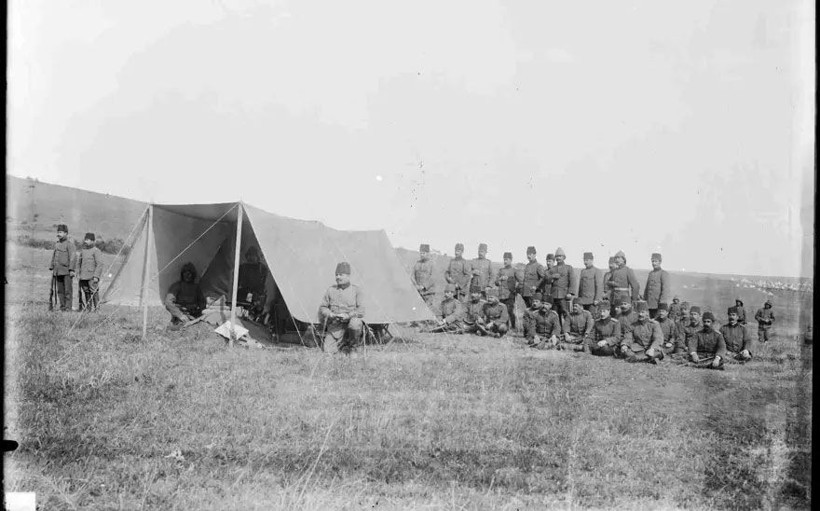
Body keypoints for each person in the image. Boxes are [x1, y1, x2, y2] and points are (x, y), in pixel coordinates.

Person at [319, 262, 365, 354]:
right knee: (327, 352)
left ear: (348, 276)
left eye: (341, 275)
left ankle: (353, 348)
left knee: (355, 323)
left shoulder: (356, 290)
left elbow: (361, 310)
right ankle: (342, 345)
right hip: (335, 327)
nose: (338, 277)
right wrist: (330, 314)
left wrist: (348, 315)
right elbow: (323, 307)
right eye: (336, 275)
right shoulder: (331, 290)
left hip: (350, 326)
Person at [49, 224, 76, 312]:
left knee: (68, 291)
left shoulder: (70, 245)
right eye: (58, 232)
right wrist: (52, 266)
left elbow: (72, 258)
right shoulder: (57, 244)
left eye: (60, 232)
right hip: (58, 271)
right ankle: (63, 307)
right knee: (60, 291)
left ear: (66, 233)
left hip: (67, 271)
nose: (58, 234)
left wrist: (72, 270)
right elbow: (54, 255)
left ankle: (68, 308)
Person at [546, 247, 575, 329]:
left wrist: (570, 293)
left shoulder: (569, 268)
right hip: (554, 295)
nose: (558, 258)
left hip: (564, 295)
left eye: (560, 256)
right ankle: (558, 330)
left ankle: (568, 330)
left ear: (564, 257)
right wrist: (552, 277)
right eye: (557, 256)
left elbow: (572, 281)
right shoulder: (553, 269)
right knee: (555, 314)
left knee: (566, 313)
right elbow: (547, 280)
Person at [237, 246, 268, 321]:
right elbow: (238, 280)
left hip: (256, 293)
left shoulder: (262, 268)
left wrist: (260, 293)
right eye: (249, 255)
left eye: (253, 255)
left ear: (257, 256)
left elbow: (264, 282)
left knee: (251, 304)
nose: (251, 258)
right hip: (244, 292)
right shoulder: (243, 267)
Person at [76, 232, 103, 311]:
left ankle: (97, 309)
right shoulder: (83, 251)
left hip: (92, 277)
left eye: (87, 240)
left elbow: (100, 264)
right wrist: (78, 273)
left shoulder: (96, 251)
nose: (85, 241)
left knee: (94, 292)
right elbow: (79, 263)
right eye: (85, 240)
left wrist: (96, 276)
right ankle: (88, 309)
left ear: (92, 241)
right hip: (83, 276)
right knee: (86, 292)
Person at [495, 252, 520, 331]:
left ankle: (513, 326)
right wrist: (499, 280)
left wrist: (516, 289)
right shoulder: (501, 270)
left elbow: (520, 281)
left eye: (507, 259)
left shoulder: (514, 270)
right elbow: (496, 282)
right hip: (502, 294)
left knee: (510, 311)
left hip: (510, 294)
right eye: (504, 259)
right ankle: (505, 326)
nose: (505, 261)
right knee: (502, 310)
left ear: (511, 260)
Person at [643, 253, 670, 319]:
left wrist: (662, 303)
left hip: (658, 304)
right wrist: (644, 300)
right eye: (652, 261)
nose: (654, 263)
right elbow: (647, 288)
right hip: (649, 304)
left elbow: (665, 289)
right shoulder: (650, 273)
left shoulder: (663, 274)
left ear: (660, 262)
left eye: (656, 261)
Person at [412, 244, 436, 308]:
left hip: (428, 293)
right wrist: (416, 285)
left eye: (424, 253)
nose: (422, 255)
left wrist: (423, 286)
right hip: (418, 292)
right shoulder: (417, 263)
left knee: (427, 310)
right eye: (421, 253)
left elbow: (433, 278)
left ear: (428, 253)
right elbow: (412, 276)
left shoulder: (431, 264)